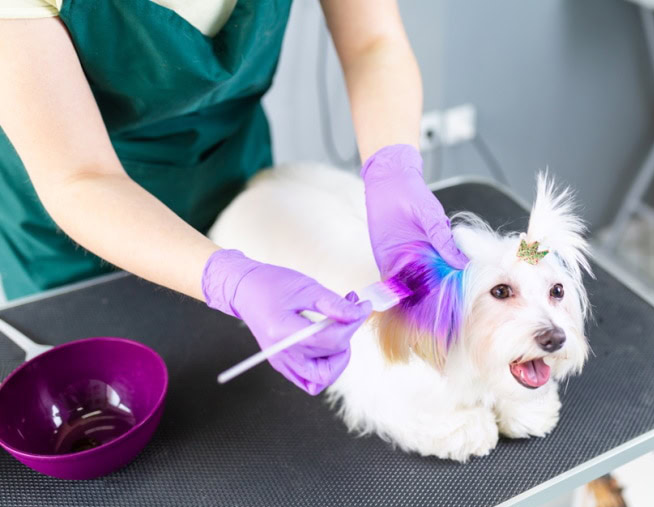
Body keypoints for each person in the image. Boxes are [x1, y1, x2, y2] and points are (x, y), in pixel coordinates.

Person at [0, 0, 468, 395]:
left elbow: (373, 43)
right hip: (79, 227)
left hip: (233, 173)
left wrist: (394, 172)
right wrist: (230, 279)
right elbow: (80, 176)